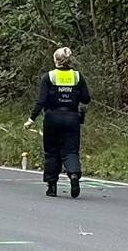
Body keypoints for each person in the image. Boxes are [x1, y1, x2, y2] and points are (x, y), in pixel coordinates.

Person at [30, 47, 89, 198]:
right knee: (71, 150)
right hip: (72, 118)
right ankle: (74, 174)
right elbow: (85, 99)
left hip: (52, 118)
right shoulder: (77, 76)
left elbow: (41, 101)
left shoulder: (48, 76)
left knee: (51, 152)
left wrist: (31, 118)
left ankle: (52, 186)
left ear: (55, 60)